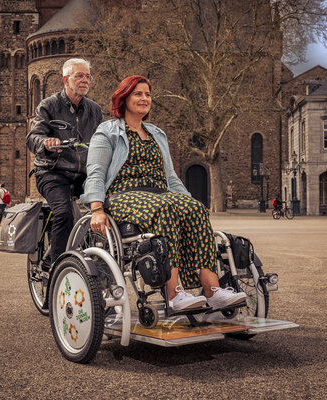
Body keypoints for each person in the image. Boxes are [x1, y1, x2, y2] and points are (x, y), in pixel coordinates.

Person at [82, 75, 246, 312]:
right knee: (166, 208)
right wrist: (96, 208)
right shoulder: (107, 131)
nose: (144, 98)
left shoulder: (157, 134)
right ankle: (174, 294)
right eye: (138, 93)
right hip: (123, 195)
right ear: (124, 97)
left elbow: (170, 177)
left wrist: (189, 204)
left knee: (196, 208)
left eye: (148, 94)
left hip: (159, 192)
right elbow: (95, 172)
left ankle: (213, 291)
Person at [26, 58, 103, 264]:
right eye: (79, 76)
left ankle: (101, 258)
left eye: (87, 76)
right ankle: (55, 265)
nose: (85, 80)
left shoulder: (95, 110)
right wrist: (46, 143)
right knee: (64, 213)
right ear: (65, 80)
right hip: (52, 172)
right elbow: (32, 138)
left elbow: (103, 140)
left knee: (107, 207)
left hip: (83, 174)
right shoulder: (48, 106)